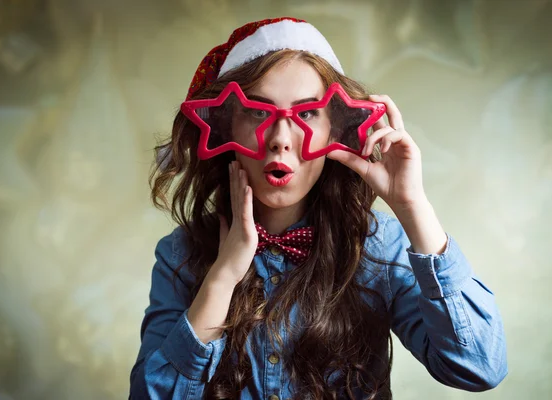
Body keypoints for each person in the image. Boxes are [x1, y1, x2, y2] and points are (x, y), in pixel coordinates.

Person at [129, 17, 507, 400]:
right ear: (227, 126)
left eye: (307, 114)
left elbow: (479, 367)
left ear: (334, 130)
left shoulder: (379, 248)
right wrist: (223, 277)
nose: (280, 139)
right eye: (258, 112)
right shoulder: (180, 253)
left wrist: (412, 206)